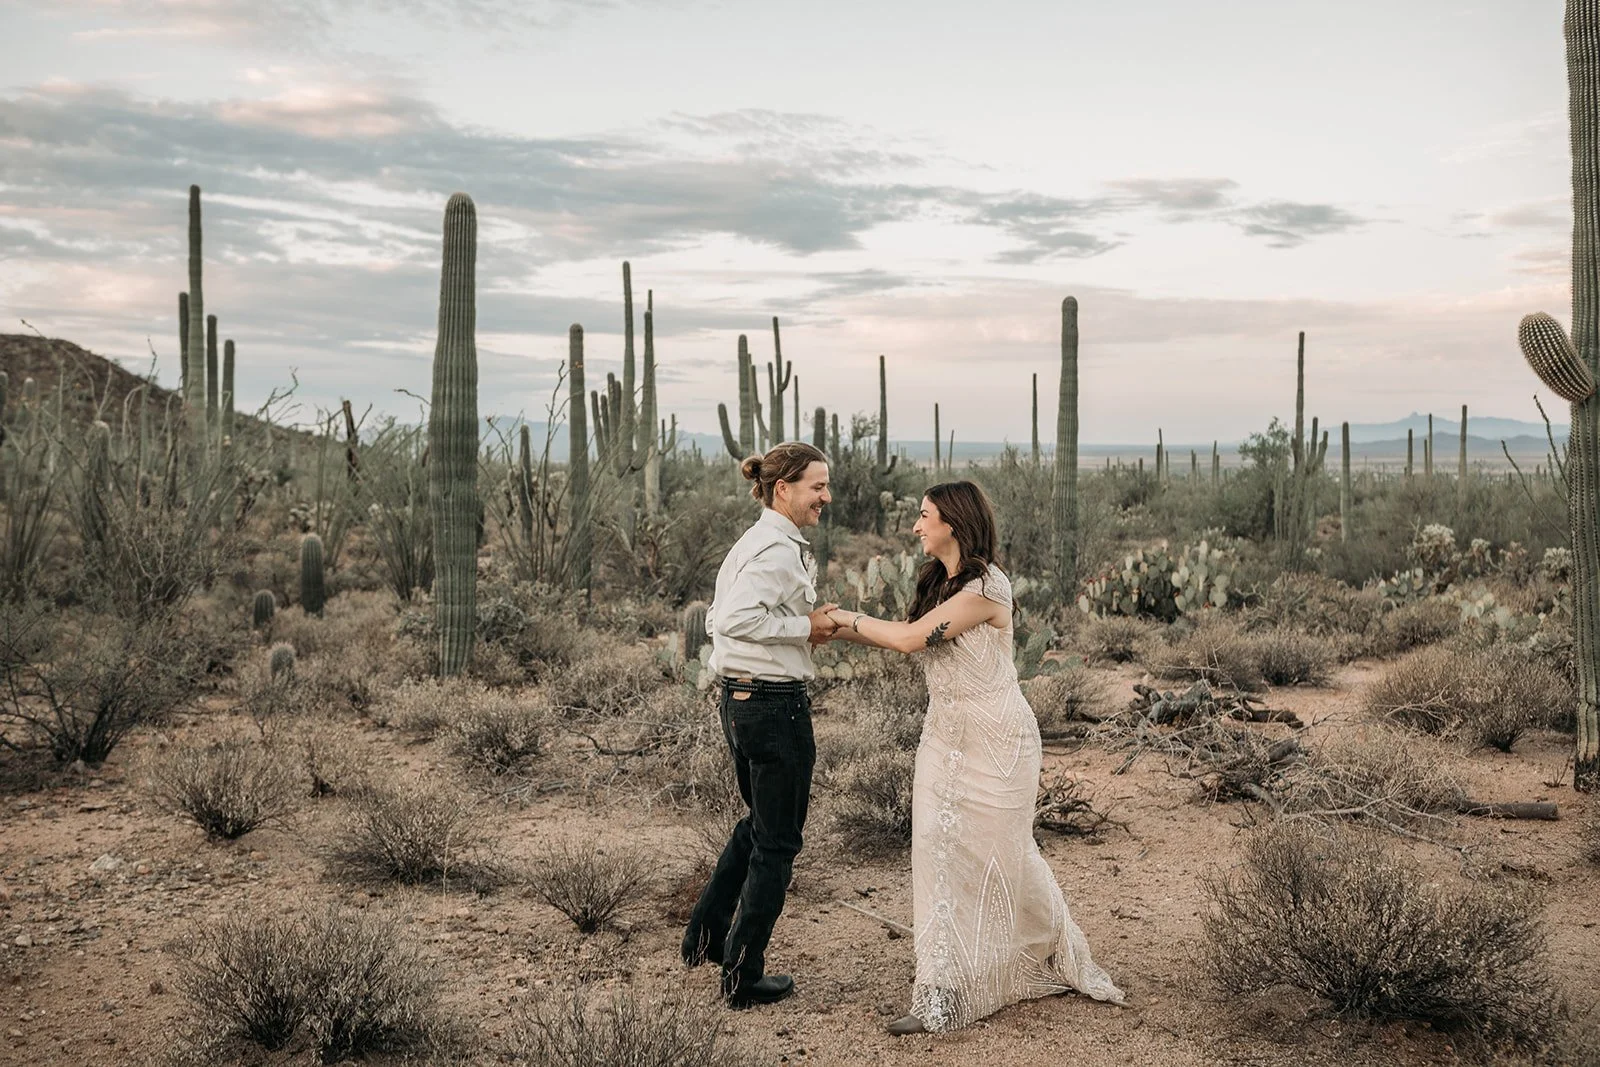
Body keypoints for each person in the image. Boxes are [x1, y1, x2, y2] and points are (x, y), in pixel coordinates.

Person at [825, 480, 1125, 1034]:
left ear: (953, 524)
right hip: (946, 733)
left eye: (923, 516)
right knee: (938, 851)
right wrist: (836, 632)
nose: (916, 526)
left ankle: (1046, 952)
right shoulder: (940, 583)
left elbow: (912, 640)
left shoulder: (988, 586)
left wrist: (844, 619)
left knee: (1004, 852)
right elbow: (908, 635)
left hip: (999, 738)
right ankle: (940, 991)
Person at [681, 441, 838, 1009]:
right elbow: (740, 617)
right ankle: (743, 975)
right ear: (783, 489)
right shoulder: (773, 550)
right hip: (773, 706)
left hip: (743, 701)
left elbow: (722, 618)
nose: (826, 495)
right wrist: (805, 627)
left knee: (760, 826)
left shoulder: (759, 540)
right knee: (778, 840)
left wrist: (805, 624)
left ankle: (705, 934)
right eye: (817, 486)